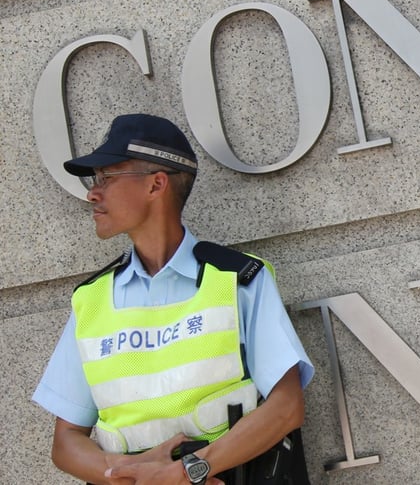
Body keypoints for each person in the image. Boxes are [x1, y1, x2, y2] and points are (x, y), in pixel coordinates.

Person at [32, 113, 314, 485]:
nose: (93, 193)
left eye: (106, 177)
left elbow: (286, 407)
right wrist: (134, 475)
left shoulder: (238, 279)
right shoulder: (91, 299)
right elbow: (65, 443)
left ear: (156, 184)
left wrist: (188, 471)